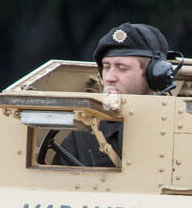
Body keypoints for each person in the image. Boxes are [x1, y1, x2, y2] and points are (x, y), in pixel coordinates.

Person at [48, 23, 178, 167]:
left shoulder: (180, 132)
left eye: (121, 68)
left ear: (154, 74)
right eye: (106, 67)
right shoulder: (81, 139)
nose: (109, 77)